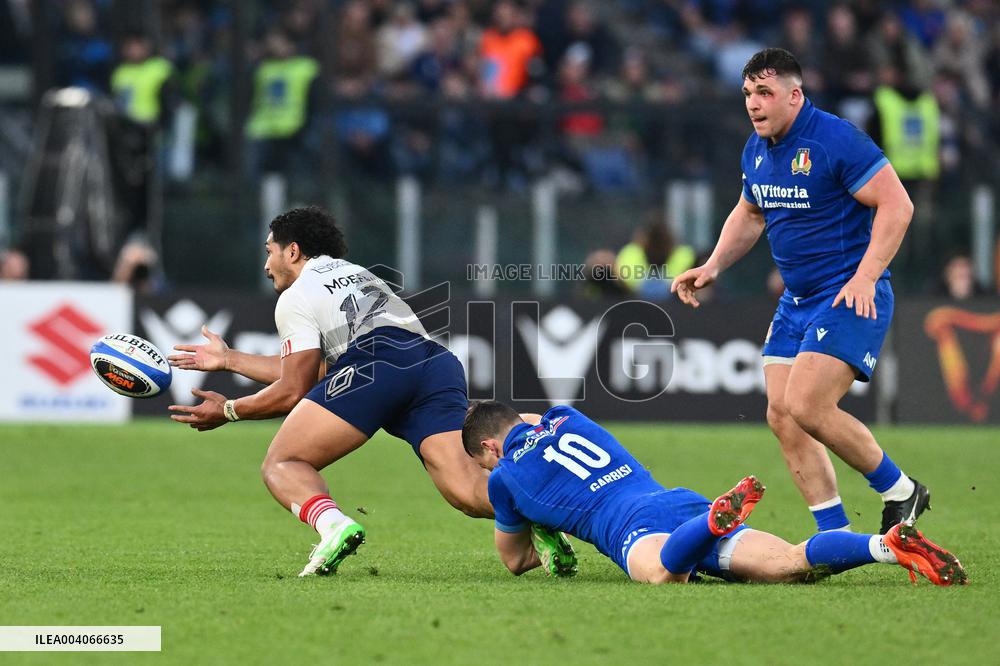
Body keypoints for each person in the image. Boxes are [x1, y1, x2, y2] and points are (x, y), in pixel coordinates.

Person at [164, 207, 574, 577]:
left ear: (292, 251)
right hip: (432, 362)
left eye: (269, 251)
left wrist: (230, 410)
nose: (266, 265)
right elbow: (320, 371)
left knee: (283, 462)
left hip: (376, 364)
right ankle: (537, 514)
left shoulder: (296, 296)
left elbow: (294, 390)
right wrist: (231, 359)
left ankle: (333, 526)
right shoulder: (356, 272)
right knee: (467, 491)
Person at [671, 48, 928, 536]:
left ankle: (901, 491)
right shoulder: (757, 147)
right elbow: (750, 213)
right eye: (748, 93)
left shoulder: (835, 140)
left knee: (808, 405)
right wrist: (713, 265)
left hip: (850, 294)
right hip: (798, 300)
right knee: (783, 415)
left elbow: (898, 205)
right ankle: (833, 533)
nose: (753, 103)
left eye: (764, 93)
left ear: (795, 95)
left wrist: (867, 275)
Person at [463, 401, 967, 586]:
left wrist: (544, 541)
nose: (488, 468)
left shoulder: (503, 478)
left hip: (629, 526)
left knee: (662, 575)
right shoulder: (568, 417)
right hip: (675, 501)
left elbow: (514, 560)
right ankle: (888, 546)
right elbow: (533, 421)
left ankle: (711, 525)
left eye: (484, 458)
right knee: (792, 565)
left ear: (489, 447)